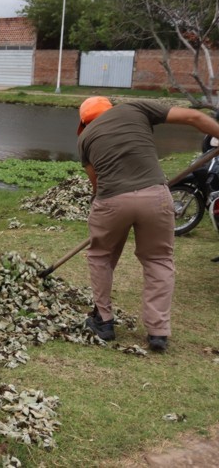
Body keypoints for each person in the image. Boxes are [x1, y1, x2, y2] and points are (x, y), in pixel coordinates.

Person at [77, 97, 219, 351]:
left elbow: (96, 184)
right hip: (155, 196)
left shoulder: (85, 138)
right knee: (158, 260)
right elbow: (194, 117)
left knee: (101, 257)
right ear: (110, 107)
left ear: (85, 122)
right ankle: (158, 332)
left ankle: (104, 321)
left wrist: (104, 212)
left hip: (111, 200)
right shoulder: (134, 108)